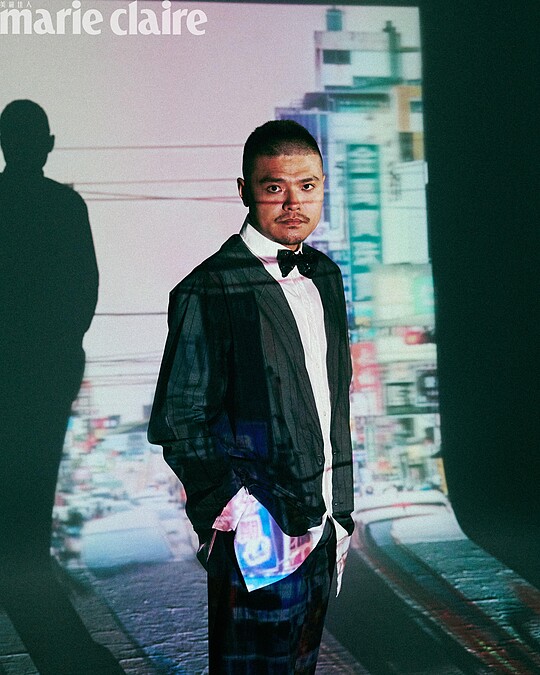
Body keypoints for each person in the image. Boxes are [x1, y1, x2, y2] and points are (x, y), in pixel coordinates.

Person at [148, 120, 354, 673]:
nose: (293, 203)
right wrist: (240, 516)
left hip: (324, 527)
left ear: (323, 187)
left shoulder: (326, 276)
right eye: (274, 187)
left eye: (307, 186)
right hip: (258, 540)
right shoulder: (208, 287)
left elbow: (331, 404)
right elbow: (178, 420)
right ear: (245, 191)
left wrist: (341, 513)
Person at [0, 100, 124, 674]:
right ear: (47, 145)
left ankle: (73, 661)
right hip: (44, 384)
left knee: (15, 542)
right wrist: (58, 357)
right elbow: (83, 292)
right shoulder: (64, 207)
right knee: (24, 537)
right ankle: (74, 662)